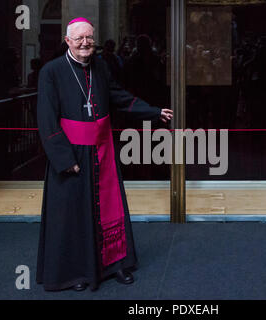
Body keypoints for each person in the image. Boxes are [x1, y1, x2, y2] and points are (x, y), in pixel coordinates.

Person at [36, 17, 173, 292]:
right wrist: (64, 160)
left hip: (102, 150)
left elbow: (119, 97)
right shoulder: (51, 71)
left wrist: (154, 111)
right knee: (72, 214)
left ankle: (115, 266)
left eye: (89, 38)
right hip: (72, 154)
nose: (86, 43)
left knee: (110, 209)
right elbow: (47, 120)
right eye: (79, 39)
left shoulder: (100, 66)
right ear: (68, 42)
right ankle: (76, 273)